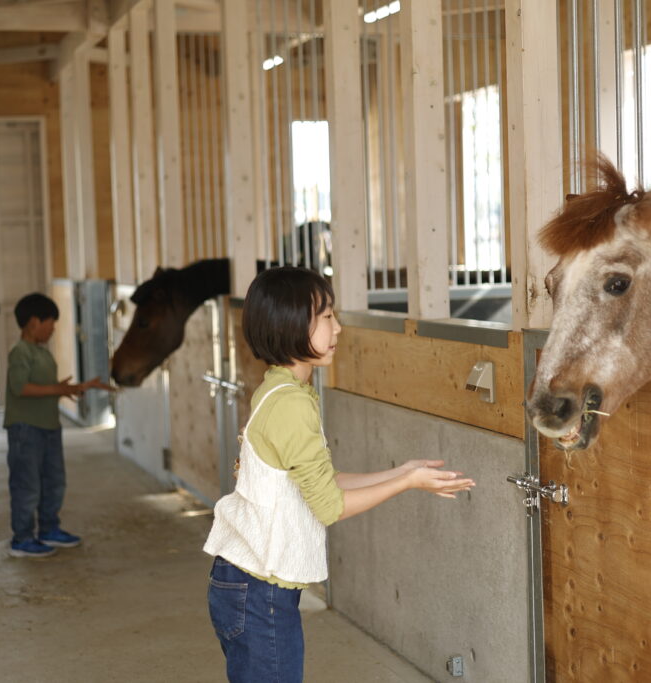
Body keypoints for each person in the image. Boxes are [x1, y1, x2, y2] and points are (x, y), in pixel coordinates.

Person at [203, 267, 475, 682]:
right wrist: (407, 483)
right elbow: (330, 506)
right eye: (327, 317)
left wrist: (400, 471)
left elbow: (322, 481)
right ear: (290, 323)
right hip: (259, 592)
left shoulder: (282, 389)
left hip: (246, 583)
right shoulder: (290, 404)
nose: (339, 328)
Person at [4, 292, 113, 558]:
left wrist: (77, 388)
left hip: (49, 427)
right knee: (27, 484)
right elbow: (21, 388)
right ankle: (22, 538)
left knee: (54, 482)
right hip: (25, 429)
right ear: (33, 322)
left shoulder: (42, 354)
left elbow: (49, 389)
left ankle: (49, 529)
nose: (53, 328)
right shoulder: (20, 352)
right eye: (50, 322)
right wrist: (59, 388)